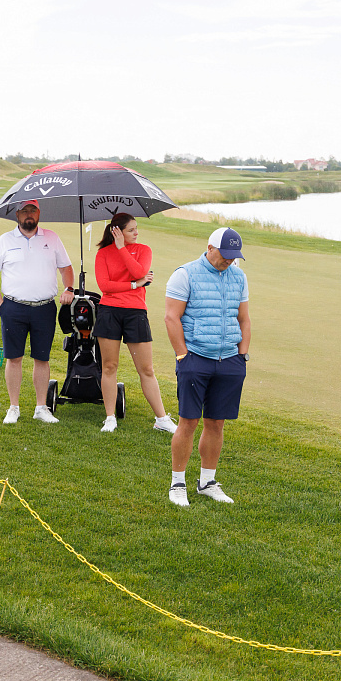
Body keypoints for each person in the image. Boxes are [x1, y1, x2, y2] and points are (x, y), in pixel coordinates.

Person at [164, 227, 252, 507]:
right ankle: (178, 484)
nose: (229, 260)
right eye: (224, 255)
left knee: (216, 423)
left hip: (229, 360)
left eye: (233, 256)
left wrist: (242, 356)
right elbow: (171, 318)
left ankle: (207, 482)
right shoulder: (186, 274)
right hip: (196, 358)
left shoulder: (239, 276)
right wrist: (182, 356)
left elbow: (244, 320)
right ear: (210, 248)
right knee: (188, 422)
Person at [0, 199, 73, 424]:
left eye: (32, 210)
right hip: (13, 307)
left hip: (44, 307)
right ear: (17, 215)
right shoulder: (4, 241)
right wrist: (0, 305)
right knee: (14, 358)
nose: (28, 215)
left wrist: (69, 288)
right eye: (24, 211)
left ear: (39, 213)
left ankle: (41, 407)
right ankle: (14, 407)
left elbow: (66, 268)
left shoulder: (52, 238)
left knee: (42, 358)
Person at [93, 212, 178, 434]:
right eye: (131, 230)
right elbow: (105, 286)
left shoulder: (143, 250)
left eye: (136, 228)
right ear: (117, 232)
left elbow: (140, 271)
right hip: (109, 311)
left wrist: (122, 248)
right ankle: (110, 417)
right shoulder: (102, 253)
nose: (136, 233)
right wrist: (134, 285)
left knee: (146, 369)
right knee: (109, 367)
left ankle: (161, 418)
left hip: (135, 313)